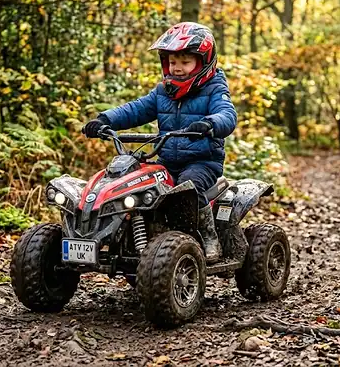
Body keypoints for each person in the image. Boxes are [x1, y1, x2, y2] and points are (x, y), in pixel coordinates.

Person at [81, 22, 237, 264]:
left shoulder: (215, 88)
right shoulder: (163, 92)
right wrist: (104, 119)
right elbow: (136, 109)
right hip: (166, 161)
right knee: (135, 185)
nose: (177, 69)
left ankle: (208, 236)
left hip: (202, 162)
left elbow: (227, 114)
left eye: (185, 62)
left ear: (203, 62)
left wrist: (209, 124)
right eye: (172, 62)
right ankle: (128, 240)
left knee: (189, 187)